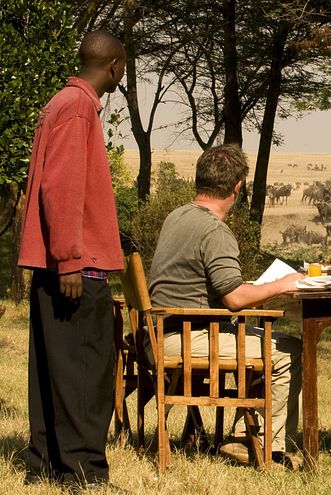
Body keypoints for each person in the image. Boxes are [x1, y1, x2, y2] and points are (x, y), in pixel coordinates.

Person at [147, 144, 304, 468]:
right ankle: (263, 447)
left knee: (262, 340)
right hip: (186, 337)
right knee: (289, 351)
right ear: (237, 187)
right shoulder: (214, 230)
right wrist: (283, 285)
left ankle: (244, 435)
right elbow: (233, 298)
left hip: (162, 332)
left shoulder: (178, 215)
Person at [17, 30, 126, 489]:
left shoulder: (59, 103)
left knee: (55, 365)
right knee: (85, 368)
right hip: (76, 265)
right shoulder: (79, 107)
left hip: (58, 262)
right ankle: (83, 470)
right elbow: (60, 189)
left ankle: (47, 461)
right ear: (115, 66)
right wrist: (69, 261)